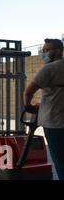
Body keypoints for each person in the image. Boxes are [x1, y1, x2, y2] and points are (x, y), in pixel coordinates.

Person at [23, 38, 64, 180]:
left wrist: (28, 107)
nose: (44, 53)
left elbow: (28, 92)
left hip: (54, 123)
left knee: (60, 160)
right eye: (43, 50)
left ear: (58, 51)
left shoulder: (49, 68)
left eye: (47, 50)